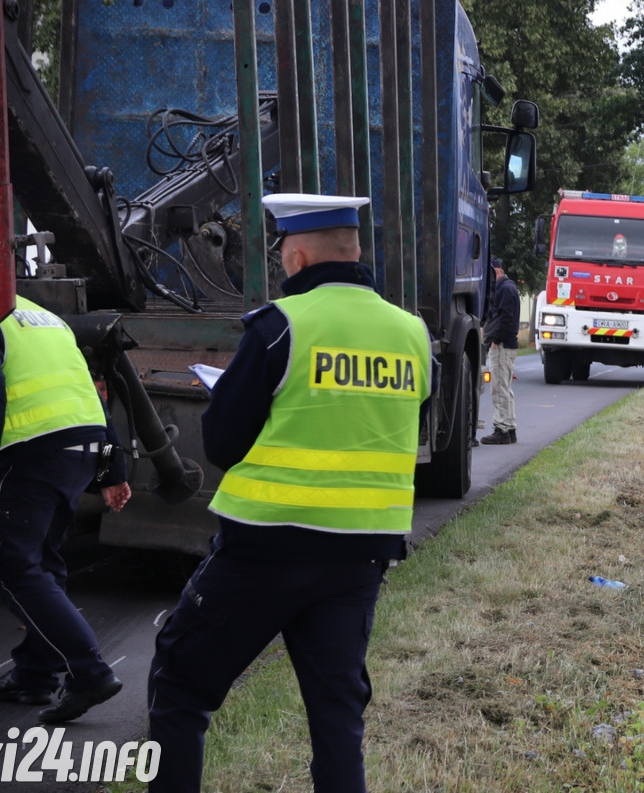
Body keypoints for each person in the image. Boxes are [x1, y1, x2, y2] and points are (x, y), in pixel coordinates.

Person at [146, 193, 433, 793]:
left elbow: (223, 442)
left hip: (263, 552)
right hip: (359, 558)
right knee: (337, 722)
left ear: (296, 257)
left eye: (282, 255)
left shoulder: (280, 326)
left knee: (179, 687)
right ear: (353, 252)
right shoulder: (412, 335)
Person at [0, 295, 131, 723]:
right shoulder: (39, 314)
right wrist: (113, 469)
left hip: (34, 452)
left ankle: (89, 672)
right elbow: (90, 394)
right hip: (82, 448)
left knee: (12, 566)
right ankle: (35, 675)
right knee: (43, 562)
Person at [479, 257, 520, 445]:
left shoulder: (504, 289)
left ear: (496, 272)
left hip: (502, 346)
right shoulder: (509, 287)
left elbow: (505, 317)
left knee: (498, 388)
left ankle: (501, 428)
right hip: (506, 345)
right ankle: (510, 428)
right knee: (505, 388)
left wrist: (495, 340)